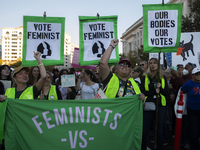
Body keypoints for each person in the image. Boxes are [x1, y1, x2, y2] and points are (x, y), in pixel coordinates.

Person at [140, 57, 169, 150]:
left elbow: (166, 93)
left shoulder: (163, 76)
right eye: (151, 63)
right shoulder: (145, 76)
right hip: (149, 105)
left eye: (155, 63)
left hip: (161, 106)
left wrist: (160, 89)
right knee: (145, 130)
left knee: (159, 131)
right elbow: (143, 91)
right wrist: (153, 89)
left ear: (158, 65)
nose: (153, 65)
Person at [181, 66, 200, 150]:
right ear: (193, 75)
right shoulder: (188, 84)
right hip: (192, 110)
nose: (198, 75)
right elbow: (182, 92)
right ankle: (193, 146)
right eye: (197, 74)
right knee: (193, 129)